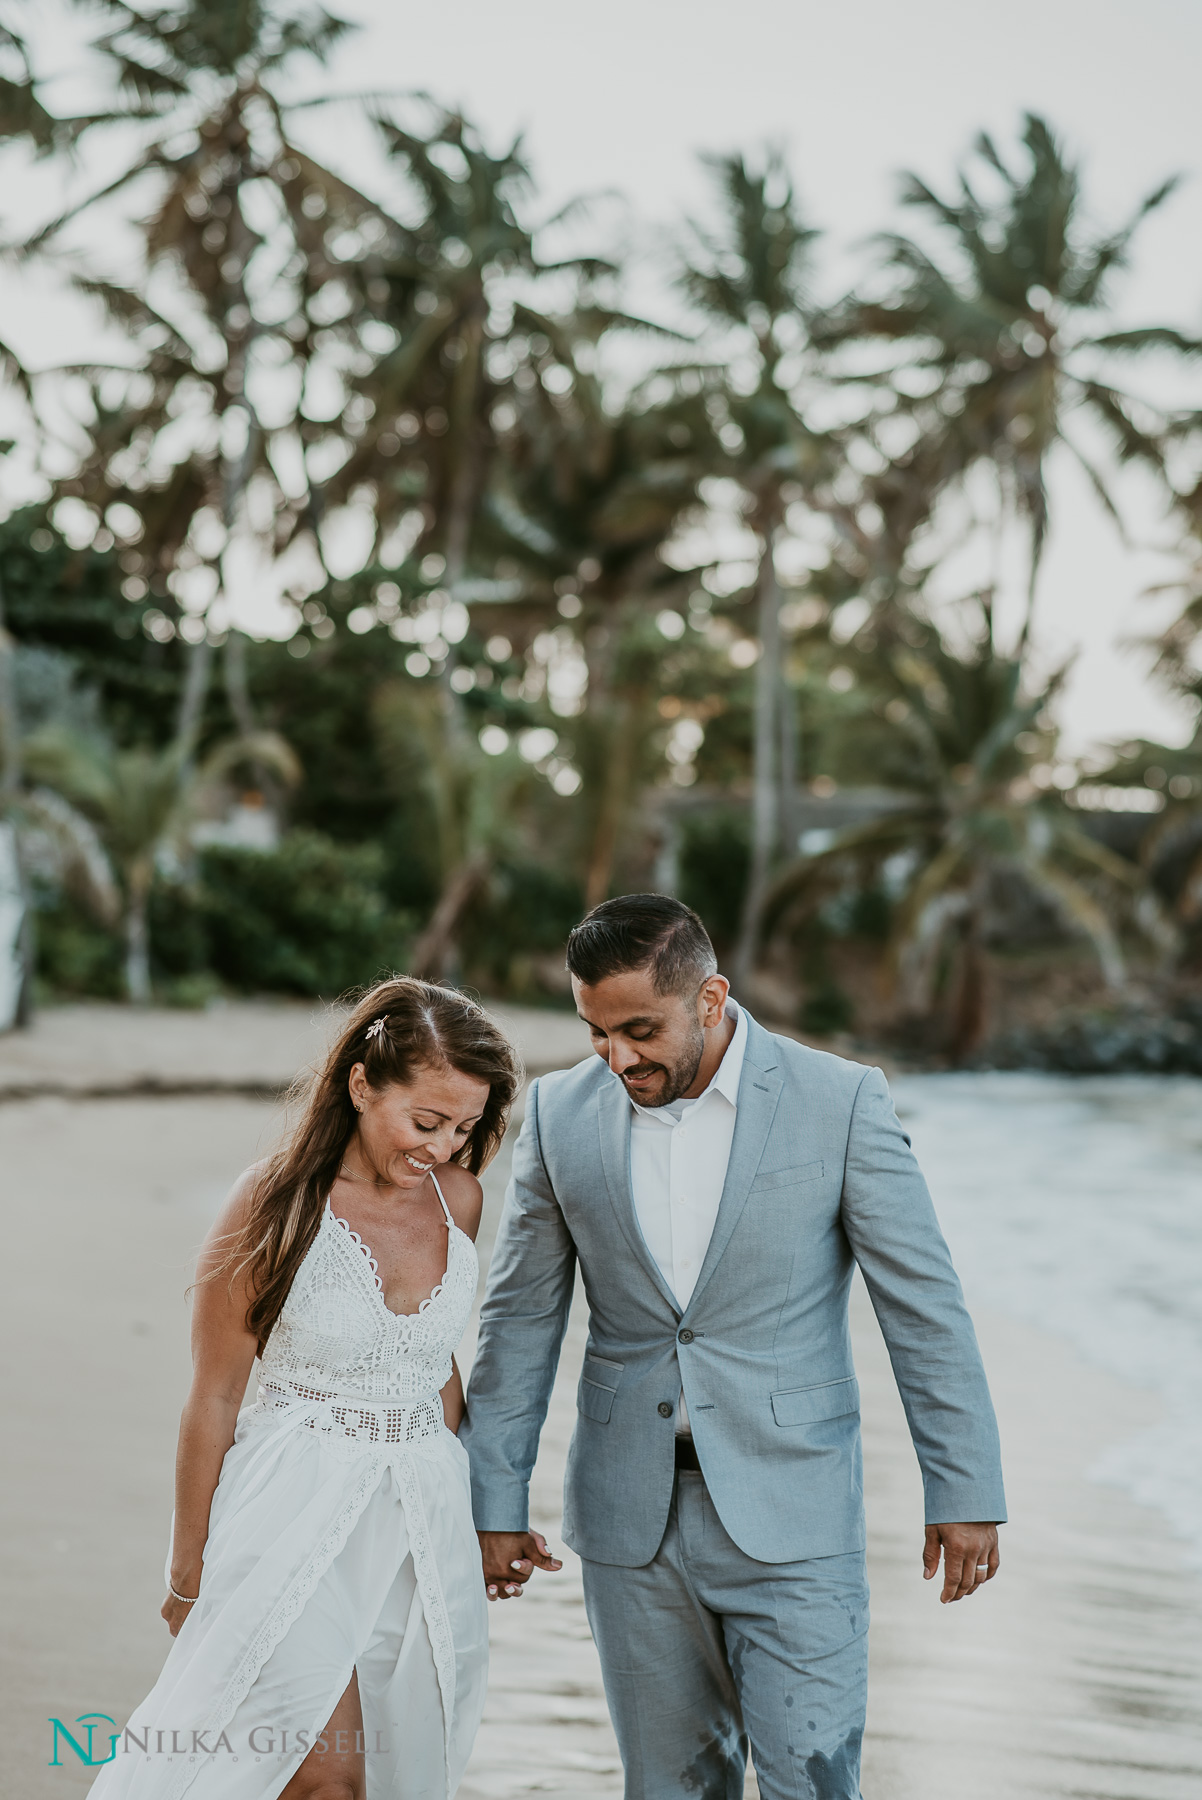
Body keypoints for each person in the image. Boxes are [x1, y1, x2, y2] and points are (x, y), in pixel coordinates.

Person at [462, 895, 1006, 1800]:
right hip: (630, 1526)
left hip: (794, 1515)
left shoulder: (840, 1101)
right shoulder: (560, 1115)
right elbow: (519, 1320)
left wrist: (966, 1488)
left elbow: (924, 1306)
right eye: (596, 1032)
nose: (618, 1057)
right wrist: (494, 1497)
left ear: (710, 999)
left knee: (815, 1785)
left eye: (640, 1029)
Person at [89, 976, 521, 1800]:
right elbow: (214, 1395)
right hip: (292, 1508)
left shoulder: (458, 1199)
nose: (441, 1146)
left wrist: (484, 1521)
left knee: (396, 1769)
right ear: (361, 1085)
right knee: (321, 1777)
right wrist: (190, 1566)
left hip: (417, 1519)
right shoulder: (274, 1202)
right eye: (425, 1121)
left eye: (464, 1126)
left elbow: (433, 1367)